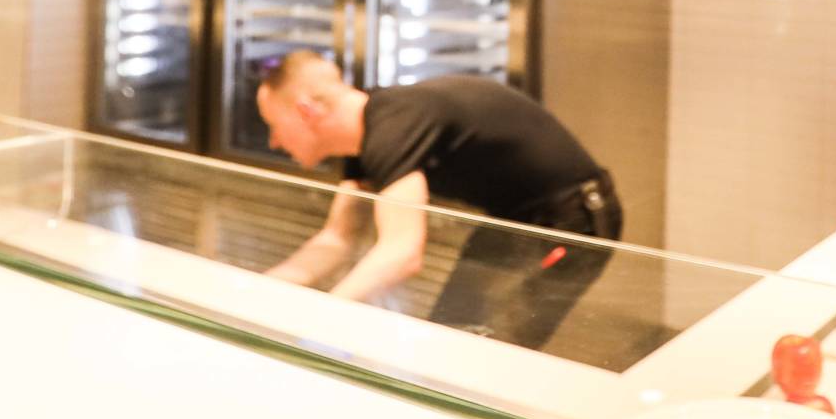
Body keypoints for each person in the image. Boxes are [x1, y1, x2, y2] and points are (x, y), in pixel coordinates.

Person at [254, 52, 620, 347]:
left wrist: (320, 320)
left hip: (572, 218)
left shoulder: (395, 123)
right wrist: (259, 292)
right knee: (450, 333)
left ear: (307, 111)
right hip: (514, 218)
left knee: (483, 350)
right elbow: (337, 238)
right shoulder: (368, 133)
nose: (273, 141)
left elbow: (401, 253)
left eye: (273, 124)